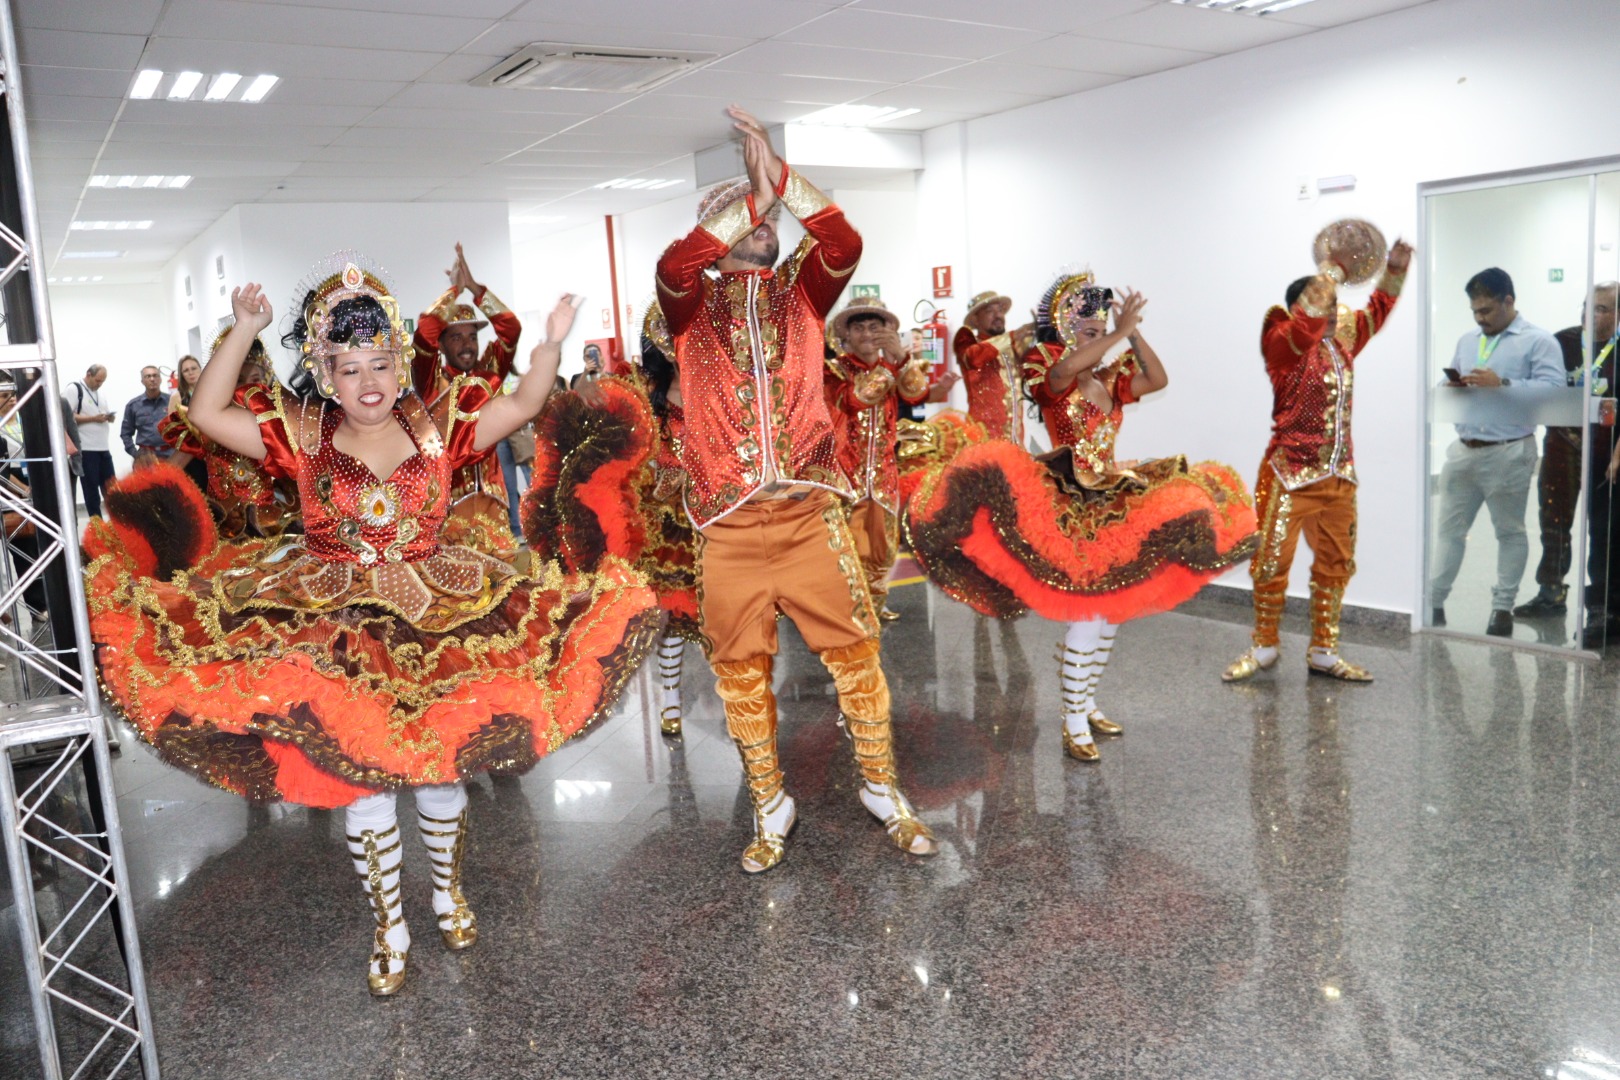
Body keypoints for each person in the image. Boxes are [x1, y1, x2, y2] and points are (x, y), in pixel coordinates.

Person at [83, 255, 658, 997]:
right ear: (325, 372)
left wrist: (548, 344)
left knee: (444, 770)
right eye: (349, 368)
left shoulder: (440, 423)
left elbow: (520, 408)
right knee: (365, 784)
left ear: (399, 363)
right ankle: (390, 926)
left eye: (380, 363)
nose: (368, 382)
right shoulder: (298, 431)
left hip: (442, 615)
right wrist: (246, 328)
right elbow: (205, 414)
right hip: (337, 621)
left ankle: (450, 894)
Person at [655, 105, 936, 872]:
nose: (763, 226)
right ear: (715, 231)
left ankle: (883, 790)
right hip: (730, 527)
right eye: (745, 220)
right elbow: (674, 269)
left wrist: (776, 180)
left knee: (856, 656)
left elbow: (843, 241)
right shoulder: (691, 306)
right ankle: (771, 805)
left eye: (770, 220)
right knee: (740, 673)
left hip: (811, 515)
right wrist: (750, 195)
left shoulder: (802, 296)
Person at [907, 272, 1257, 761]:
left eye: (1100, 330)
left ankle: (1087, 703)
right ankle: (1072, 722)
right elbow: (1066, 370)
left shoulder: (1110, 379)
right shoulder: (1052, 374)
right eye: (1088, 331)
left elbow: (1158, 379)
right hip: (1069, 500)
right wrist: (1115, 334)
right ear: (1067, 335)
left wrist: (1131, 333)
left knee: (1111, 611)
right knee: (1089, 614)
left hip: (1113, 494)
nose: (1099, 337)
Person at [1224, 239, 1413, 682]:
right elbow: (1305, 326)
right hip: (1289, 476)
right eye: (1324, 306)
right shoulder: (1280, 342)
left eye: (1335, 307)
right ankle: (1265, 645)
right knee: (1270, 564)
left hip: (1339, 476)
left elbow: (1376, 310)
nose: (1333, 314)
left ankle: (1324, 651)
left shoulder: (1341, 341)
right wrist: (1329, 272)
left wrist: (1395, 271)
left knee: (1337, 563)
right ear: (1301, 308)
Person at [1428, 267, 1566, 636]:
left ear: (1509, 301)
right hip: (1463, 451)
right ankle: (1434, 603)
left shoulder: (1539, 342)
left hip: (1509, 451)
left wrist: (1502, 384)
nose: (1480, 318)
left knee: (1509, 532)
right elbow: (1448, 381)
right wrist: (1451, 385)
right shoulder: (1468, 339)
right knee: (1449, 532)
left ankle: (1501, 610)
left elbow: (1553, 392)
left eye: (1487, 310)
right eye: (1475, 310)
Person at [411, 243, 523, 552]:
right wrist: (454, 292)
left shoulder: (489, 372)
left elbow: (511, 330)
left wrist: (474, 288)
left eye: (472, 336)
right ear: (442, 345)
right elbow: (423, 333)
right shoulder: (430, 379)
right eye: (456, 337)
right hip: (448, 505)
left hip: (494, 501)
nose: (467, 345)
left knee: (502, 579)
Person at [825, 296, 931, 620]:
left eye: (875, 327)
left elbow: (917, 393)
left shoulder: (895, 365)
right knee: (846, 547)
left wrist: (901, 360)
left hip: (883, 473)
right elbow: (856, 398)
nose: (868, 334)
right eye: (860, 328)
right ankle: (847, 610)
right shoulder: (834, 369)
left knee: (882, 544)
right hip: (845, 476)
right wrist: (891, 365)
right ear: (846, 335)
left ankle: (874, 603)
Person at [160, 321, 293, 538]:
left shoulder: (279, 424)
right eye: (238, 380)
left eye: (255, 380)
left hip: (271, 527)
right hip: (222, 529)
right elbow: (169, 472)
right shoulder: (204, 426)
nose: (248, 389)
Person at [1574, 282, 1620, 646]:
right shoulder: (1577, 345)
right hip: (1586, 457)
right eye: (1590, 306)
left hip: (1613, 461)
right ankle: (1600, 607)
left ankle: (1610, 610)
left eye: (1602, 308)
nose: (1592, 314)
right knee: (1598, 534)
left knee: (1611, 534)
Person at [955, 289, 1035, 445]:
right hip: (983, 439)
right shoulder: (966, 339)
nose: (998, 315)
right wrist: (1013, 336)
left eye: (1000, 310)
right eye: (989, 311)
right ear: (975, 319)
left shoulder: (1011, 346)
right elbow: (973, 357)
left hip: (1015, 438)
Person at [65, 364, 117, 517]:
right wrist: (93, 418)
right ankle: (97, 526)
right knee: (91, 490)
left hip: (103, 448)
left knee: (112, 489)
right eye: (97, 380)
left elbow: (99, 414)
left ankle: (117, 524)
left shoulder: (99, 394)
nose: (99, 384)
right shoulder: (74, 389)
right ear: (88, 374)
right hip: (86, 449)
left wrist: (108, 417)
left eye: (102, 382)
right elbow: (66, 415)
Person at [168, 354, 210, 492]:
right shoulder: (177, 396)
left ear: (200, 369)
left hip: (214, 450)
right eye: (186, 370)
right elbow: (171, 428)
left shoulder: (211, 391)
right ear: (181, 374)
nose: (191, 372)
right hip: (192, 454)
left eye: (193, 368)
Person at [120, 364, 171, 466]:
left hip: (171, 455)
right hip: (146, 459)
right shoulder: (133, 405)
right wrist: (136, 454)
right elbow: (125, 433)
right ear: (142, 381)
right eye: (148, 376)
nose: (152, 379)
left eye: (155, 375)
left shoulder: (171, 401)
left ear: (160, 379)